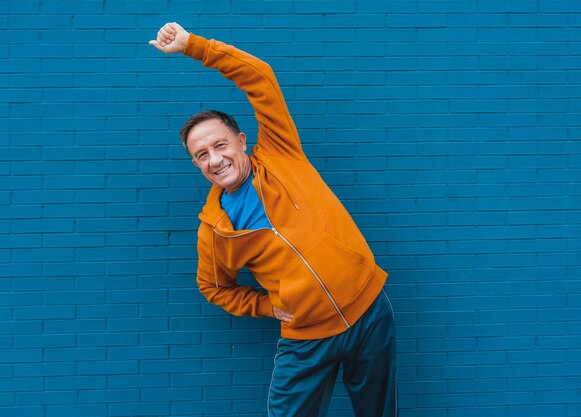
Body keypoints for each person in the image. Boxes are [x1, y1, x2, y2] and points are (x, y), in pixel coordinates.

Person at [150, 22, 397, 417]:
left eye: (219, 145)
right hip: (306, 337)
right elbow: (214, 288)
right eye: (201, 155)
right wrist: (268, 307)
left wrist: (193, 46)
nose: (214, 160)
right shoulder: (215, 229)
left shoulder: (281, 154)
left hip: (369, 309)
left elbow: (260, 78)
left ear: (241, 141)